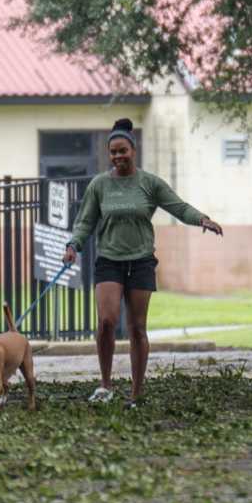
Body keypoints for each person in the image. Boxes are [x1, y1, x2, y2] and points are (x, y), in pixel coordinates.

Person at [61, 118, 223, 407]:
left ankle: (136, 394)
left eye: (123, 150)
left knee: (137, 328)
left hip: (141, 262)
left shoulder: (149, 183)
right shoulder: (100, 185)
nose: (118, 156)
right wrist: (73, 244)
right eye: (113, 152)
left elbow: (178, 206)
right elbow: (85, 221)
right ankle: (105, 385)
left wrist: (202, 219)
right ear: (108, 155)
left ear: (133, 151)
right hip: (109, 260)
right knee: (107, 322)